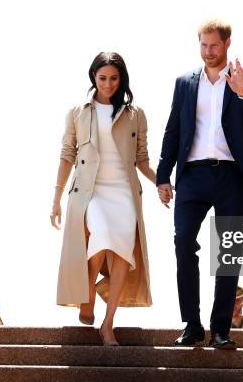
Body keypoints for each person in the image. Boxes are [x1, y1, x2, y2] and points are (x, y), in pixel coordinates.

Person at [156, 19, 243, 349]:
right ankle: (192, 325)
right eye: (203, 45)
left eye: (214, 45)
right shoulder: (185, 83)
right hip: (192, 176)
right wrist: (162, 176)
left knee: (230, 251)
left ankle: (220, 329)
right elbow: (173, 131)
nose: (208, 52)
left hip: (232, 176)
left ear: (227, 44)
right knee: (183, 243)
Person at [51, 52, 156, 346]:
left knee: (122, 254)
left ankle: (107, 324)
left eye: (114, 78)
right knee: (102, 236)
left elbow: (142, 159)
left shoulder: (135, 114)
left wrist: (162, 182)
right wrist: (55, 199)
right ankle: (86, 292)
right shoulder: (78, 112)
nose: (108, 84)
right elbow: (67, 155)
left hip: (124, 193)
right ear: (93, 78)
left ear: (121, 79)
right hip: (90, 191)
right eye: (102, 78)